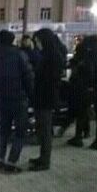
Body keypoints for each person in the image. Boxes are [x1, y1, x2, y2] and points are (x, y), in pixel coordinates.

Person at [0, 30, 34, 173]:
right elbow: (28, 76)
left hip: (1, 98)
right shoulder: (19, 54)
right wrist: (30, 94)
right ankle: (12, 161)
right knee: (20, 131)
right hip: (19, 98)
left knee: (4, 129)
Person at [29, 28, 64, 171]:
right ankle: (42, 157)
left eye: (38, 40)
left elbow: (51, 79)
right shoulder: (46, 54)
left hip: (46, 98)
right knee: (42, 129)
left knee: (45, 130)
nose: (36, 43)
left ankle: (45, 161)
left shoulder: (53, 56)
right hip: (41, 97)